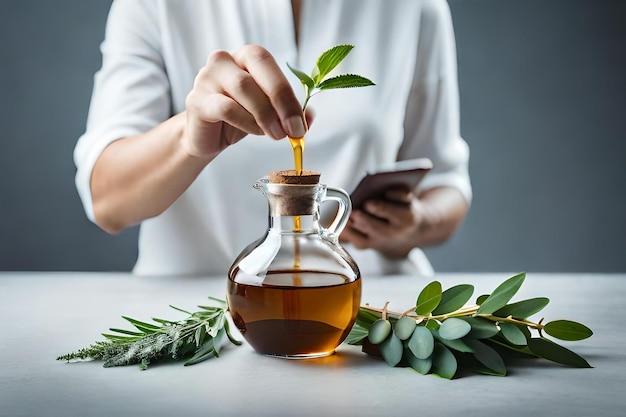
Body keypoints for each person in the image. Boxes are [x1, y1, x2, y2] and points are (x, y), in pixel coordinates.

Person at [74, 0, 472, 277]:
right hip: (188, 316)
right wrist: (187, 139)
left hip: (368, 316)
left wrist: (415, 224)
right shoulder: (155, 5)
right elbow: (108, 202)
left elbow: (448, 185)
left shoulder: (414, 7)